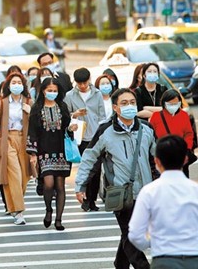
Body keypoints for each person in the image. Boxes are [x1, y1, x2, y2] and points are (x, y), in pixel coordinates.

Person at [75, 88, 157, 269]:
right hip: (120, 193)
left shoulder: (146, 129)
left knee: (130, 233)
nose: (129, 106)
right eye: (124, 103)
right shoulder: (106, 131)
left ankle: (120, 264)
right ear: (115, 108)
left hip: (145, 192)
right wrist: (80, 185)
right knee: (129, 233)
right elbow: (90, 157)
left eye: (132, 103)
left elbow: (157, 158)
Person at [128, 135, 198, 269]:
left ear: (157, 161)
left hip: (164, 259)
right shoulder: (195, 190)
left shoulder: (149, 192)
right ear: (185, 160)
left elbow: (135, 234)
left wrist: (153, 242)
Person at [0, 72, 32, 225]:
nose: (16, 85)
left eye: (19, 82)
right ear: (9, 86)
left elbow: (37, 123)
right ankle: (18, 211)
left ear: (23, 85)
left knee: (24, 176)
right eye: (13, 82)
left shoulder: (29, 102)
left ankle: (14, 205)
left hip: (24, 140)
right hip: (7, 140)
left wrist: (31, 112)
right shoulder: (2, 104)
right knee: (14, 173)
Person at [27, 77, 77, 231]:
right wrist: (33, 153)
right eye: (49, 91)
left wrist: (71, 128)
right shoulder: (37, 109)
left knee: (60, 186)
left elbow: (67, 127)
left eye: (55, 91)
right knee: (48, 184)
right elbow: (32, 132)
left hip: (61, 150)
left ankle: (59, 219)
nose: (52, 93)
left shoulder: (62, 106)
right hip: (44, 151)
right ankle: (48, 209)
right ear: (43, 91)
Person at [64, 68, 106, 212]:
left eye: (84, 82)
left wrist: (102, 132)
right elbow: (65, 115)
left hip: (96, 136)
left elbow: (102, 116)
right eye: (79, 83)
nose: (82, 85)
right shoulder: (70, 95)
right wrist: (75, 114)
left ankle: (92, 199)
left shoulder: (97, 94)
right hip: (80, 136)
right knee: (85, 168)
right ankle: (85, 198)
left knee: (96, 170)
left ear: (89, 79)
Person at [149, 89, 195, 177]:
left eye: (176, 104)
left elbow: (189, 134)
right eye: (170, 104)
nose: (173, 106)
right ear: (164, 103)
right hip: (163, 156)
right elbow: (151, 137)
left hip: (180, 155)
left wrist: (187, 149)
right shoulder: (156, 116)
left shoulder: (184, 115)